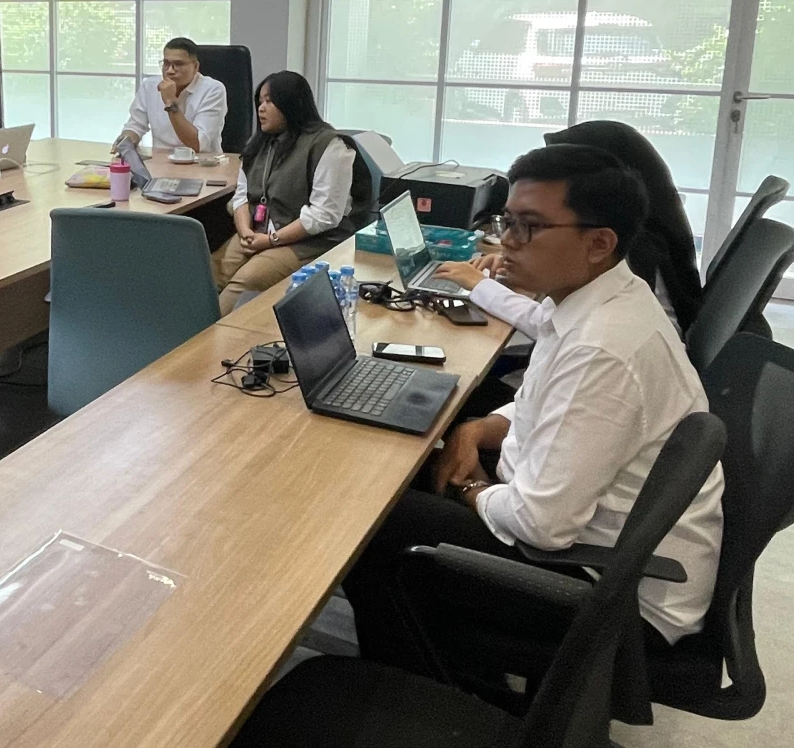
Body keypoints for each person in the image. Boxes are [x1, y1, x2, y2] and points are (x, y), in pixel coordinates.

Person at [343, 144, 724, 681]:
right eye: (508, 222)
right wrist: (479, 429)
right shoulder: (599, 295)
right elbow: (545, 394)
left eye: (530, 227)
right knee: (405, 462)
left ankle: (417, 696)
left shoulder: (604, 348)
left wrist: (470, 489)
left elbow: (542, 525)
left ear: (599, 243)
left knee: (373, 526)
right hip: (596, 545)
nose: (508, 242)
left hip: (609, 594)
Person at [437, 120, 704, 337]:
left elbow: (549, 325)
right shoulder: (616, 261)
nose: (507, 239)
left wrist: (482, 284)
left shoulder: (636, 259)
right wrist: (520, 264)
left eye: (530, 224)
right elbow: (553, 319)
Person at [210, 71, 372, 315]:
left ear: (292, 104)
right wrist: (245, 231)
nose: (261, 108)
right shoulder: (260, 144)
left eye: (269, 101)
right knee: (211, 273)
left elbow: (324, 214)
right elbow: (242, 195)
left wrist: (271, 240)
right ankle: (185, 333)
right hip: (257, 232)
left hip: (309, 241)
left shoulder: (329, 145)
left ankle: (209, 335)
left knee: (245, 281)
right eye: (260, 101)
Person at [115, 37, 227, 154]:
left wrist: (170, 102)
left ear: (195, 67)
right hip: (161, 160)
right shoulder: (149, 86)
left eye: (178, 64)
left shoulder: (213, 89)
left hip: (201, 161)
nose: (170, 71)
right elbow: (135, 126)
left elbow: (198, 144)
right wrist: (126, 140)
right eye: (166, 63)